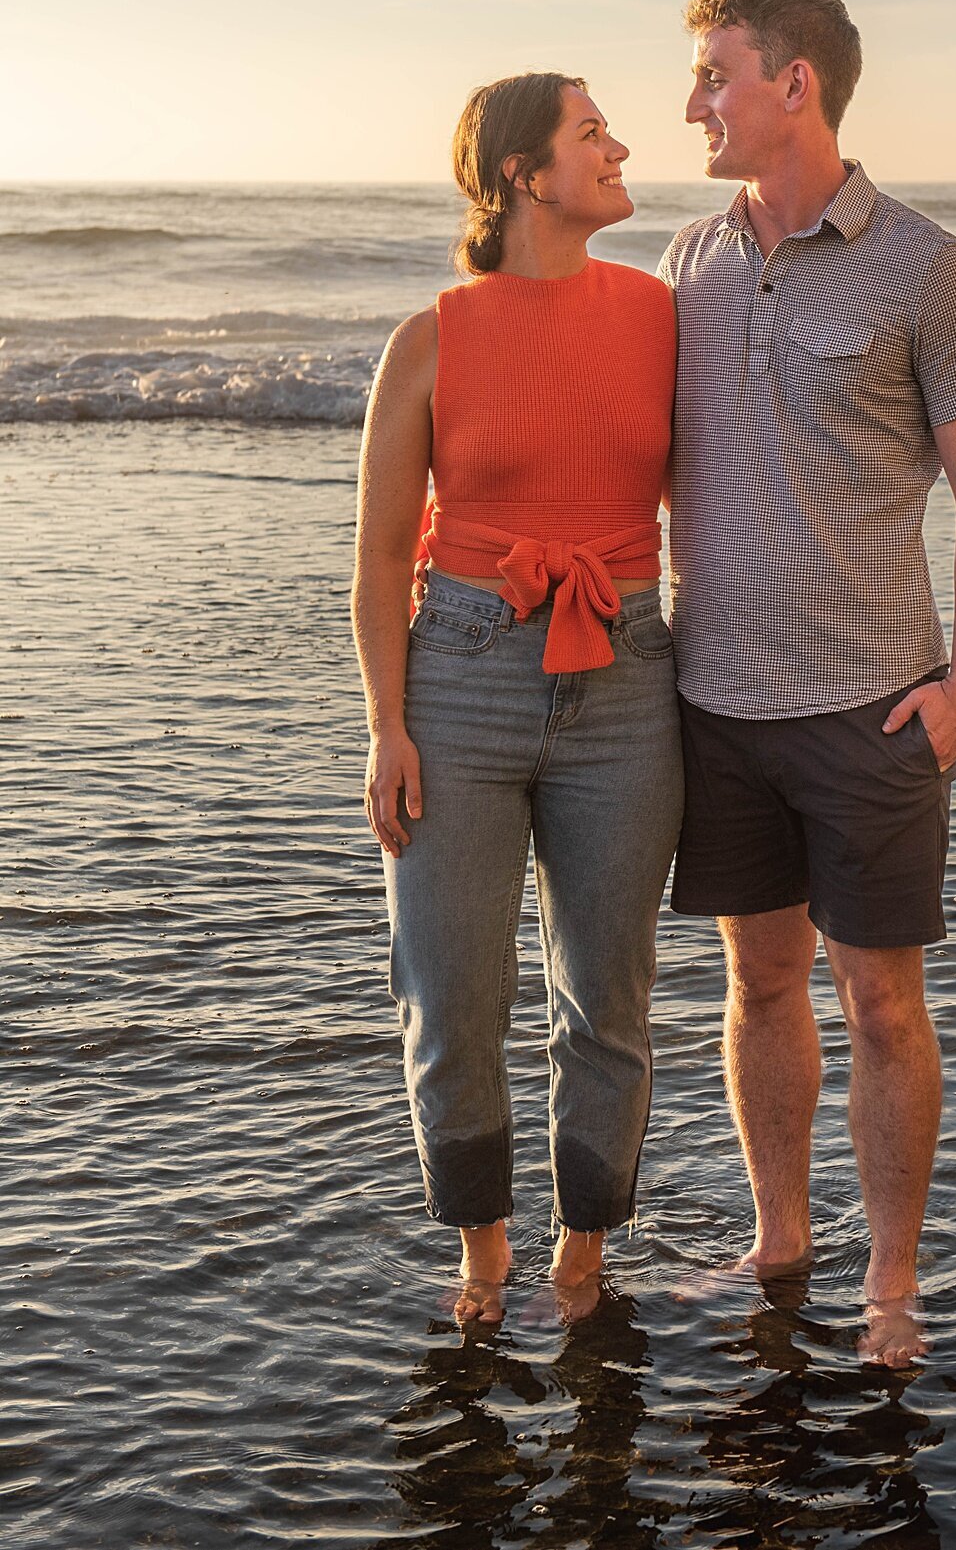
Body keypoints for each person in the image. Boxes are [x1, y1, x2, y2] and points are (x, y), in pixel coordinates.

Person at [660, 0, 956, 1369]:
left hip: (874, 709)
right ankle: (780, 1240)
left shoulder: (929, 270)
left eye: (714, 75)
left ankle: (891, 1280)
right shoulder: (685, 262)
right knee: (757, 987)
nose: (694, 102)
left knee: (880, 1001)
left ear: (794, 83)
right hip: (717, 710)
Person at [352, 72, 682, 1326]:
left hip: (627, 676)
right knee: (450, 992)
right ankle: (483, 1254)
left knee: (609, 996)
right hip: (461, 677)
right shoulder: (431, 336)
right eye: (592, 132)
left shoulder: (659, 314)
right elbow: (383, 555)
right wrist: (386, 724)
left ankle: (583, 1261)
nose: (618, 147)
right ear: (522, 175)